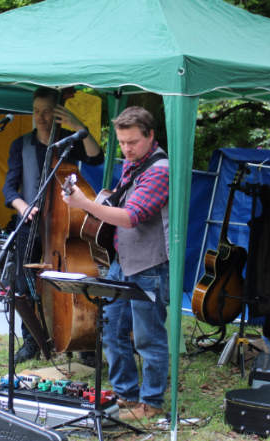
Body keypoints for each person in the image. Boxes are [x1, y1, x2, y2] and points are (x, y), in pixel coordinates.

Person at [61, 106, 170, 421]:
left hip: (149, 264)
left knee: (149, 337)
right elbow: (120, 201)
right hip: (123, 259)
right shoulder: (135, 164)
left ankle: (151, 401)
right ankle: (125, 393)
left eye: (133, 142)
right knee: (110, 330)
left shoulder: (159, 170)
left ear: (151, 136)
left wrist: (84, 205)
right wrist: (100, 201)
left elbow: (130, 217)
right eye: (122, 142)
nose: (126, 149)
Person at [2, 87, 104, 363]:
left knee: (77, 280)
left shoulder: (69, 142)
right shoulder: (20, 145)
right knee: (23, 283)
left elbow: (96, 157)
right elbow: (9, 190)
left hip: (64, 226)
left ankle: (81, 340)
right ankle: (31, 341)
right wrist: (23, 207)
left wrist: (79, 126)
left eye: (47, 112)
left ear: (58, 114)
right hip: (30, 224)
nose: (41, 117)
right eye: (37, 112)